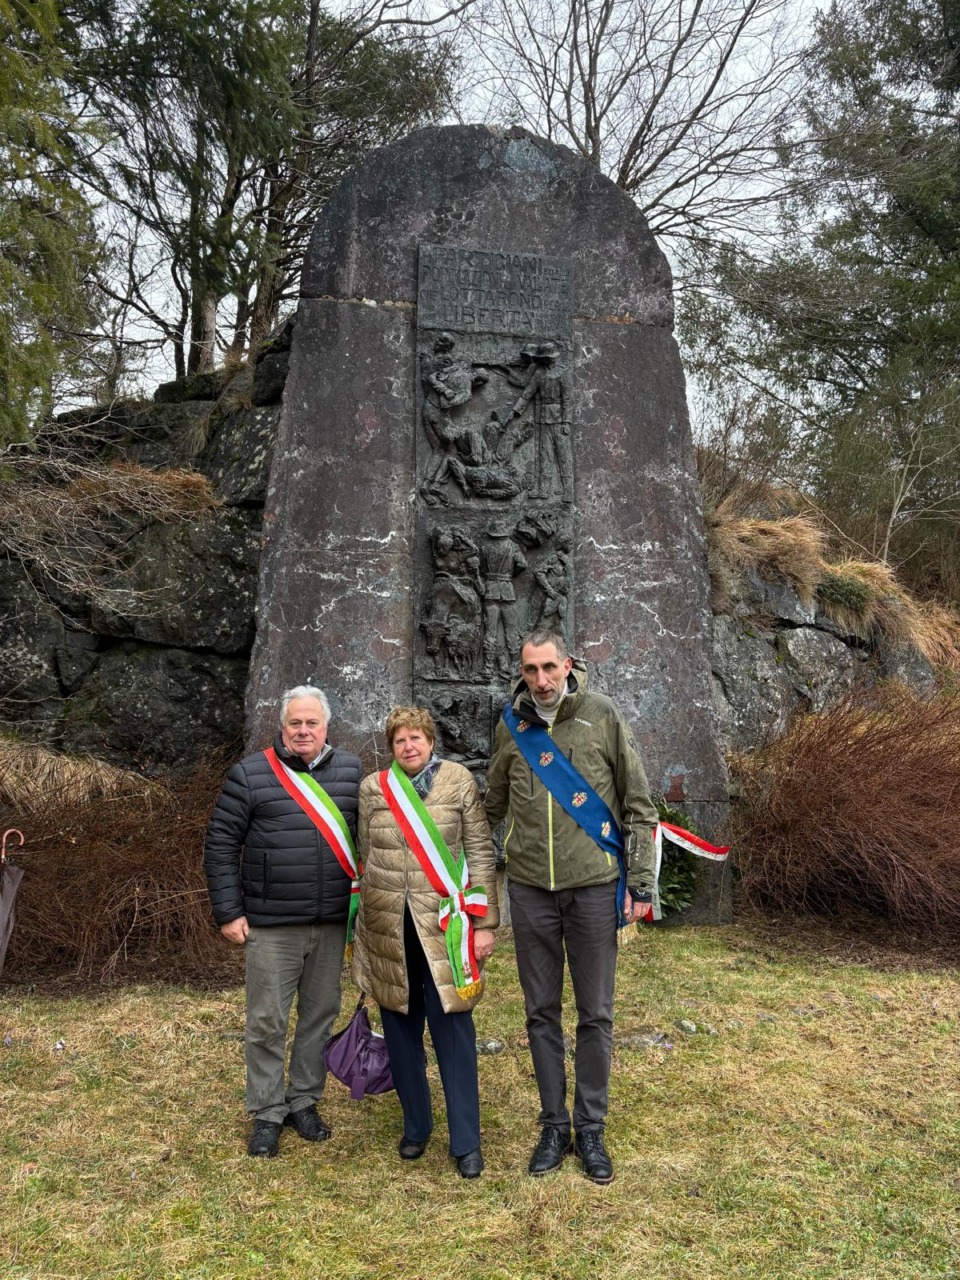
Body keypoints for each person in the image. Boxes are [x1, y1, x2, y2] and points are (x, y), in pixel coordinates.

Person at [485, 630, 659, 1184]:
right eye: (531, 670)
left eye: (549, 669)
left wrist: (642, 885)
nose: (541, 680)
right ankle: (553, 1125)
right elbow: (490, 808)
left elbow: (638, 804)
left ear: (568, 665)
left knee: (595, 1013)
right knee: (540, 1014)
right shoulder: (511, 728)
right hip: (531, 889)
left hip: (592, 886)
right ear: (521, 670)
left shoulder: (601, 715)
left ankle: (590, 1128)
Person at [204, 685, 362, 1158]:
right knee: (267, 1021)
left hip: (333, 922)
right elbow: (219, 846)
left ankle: (305, 1100)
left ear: (326, 726)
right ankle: (268, 1111)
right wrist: (229, 911)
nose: (303, 730)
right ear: (282, 726)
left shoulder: (353, 773)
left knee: (319, 1017)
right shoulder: (250, 775)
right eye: (295, 722)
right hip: (272, 925)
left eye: (312, 722)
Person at [351, 706, 499, 1178]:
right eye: (400, 740)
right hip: (390, 929)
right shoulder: (374, 789)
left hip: (445, 931)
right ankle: (416, 1126)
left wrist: (487, 924)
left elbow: (479, 852)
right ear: (391, 746)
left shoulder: (457, 782)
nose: (409, 746)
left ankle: (466, 1141)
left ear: (432, 741)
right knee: (400, 1029)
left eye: (417, 738)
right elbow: (366, 855)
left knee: (453, 1032)